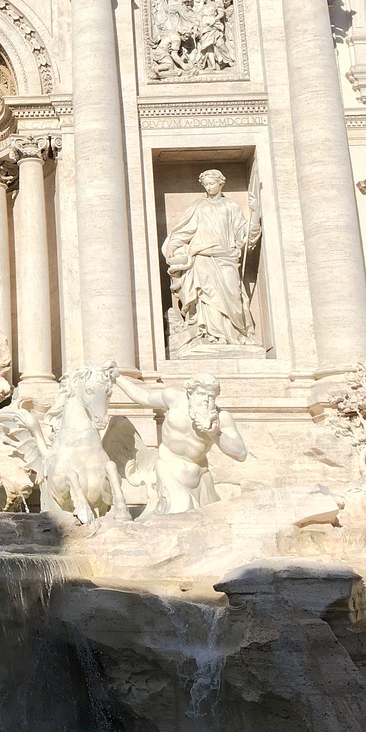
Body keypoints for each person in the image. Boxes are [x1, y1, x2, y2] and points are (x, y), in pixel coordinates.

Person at [113, 371, 247, 514]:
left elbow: (240, 454)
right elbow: (144, 398)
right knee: (179, 514)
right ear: (190, 392)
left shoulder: (222, 418)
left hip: (201, 478)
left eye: (211, 396)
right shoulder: (173, 399)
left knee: (210, 522)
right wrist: (118, 378)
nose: (206, 400)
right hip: (169, 471)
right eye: (201, 394)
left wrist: (215, 434)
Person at [163, 169, 261, 346]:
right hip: (203, 258)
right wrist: (172, 245)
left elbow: (245, 236)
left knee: (233, 295)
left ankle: (235, 334)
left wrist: (255, 213)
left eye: (211, 183)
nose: (208, 187)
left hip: (227, 258)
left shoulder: (231, 206)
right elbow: (184, 230)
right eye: (206, 184)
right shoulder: (198, 206)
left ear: (220, 183)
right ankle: (214, 335)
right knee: (208, 297)